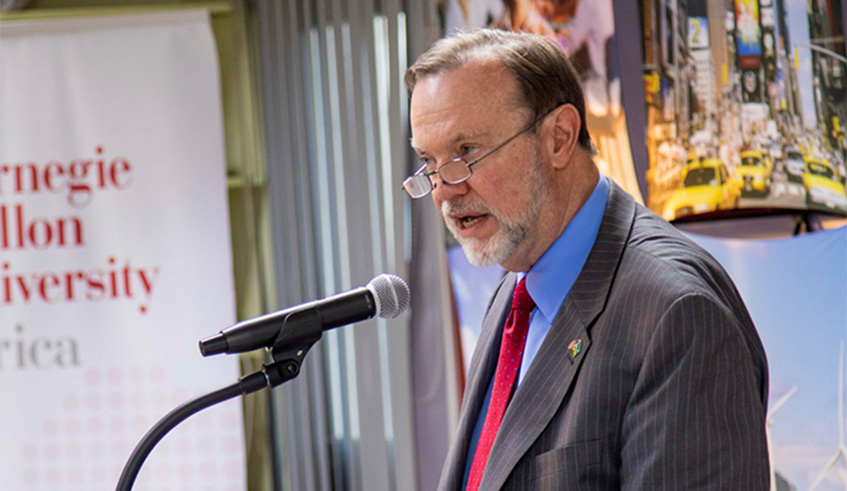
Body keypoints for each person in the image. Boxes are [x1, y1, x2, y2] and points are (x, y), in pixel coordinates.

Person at [402, 29, 769, 490]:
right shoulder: (517, 286)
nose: (443, 190)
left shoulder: (677, 314)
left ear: (559, 137)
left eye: (466, 152)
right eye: (429, 163)